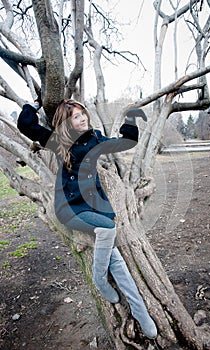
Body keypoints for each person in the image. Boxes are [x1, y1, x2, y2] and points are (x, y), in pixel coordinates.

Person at [17, 99, 157, 339]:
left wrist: (131, 119)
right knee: (109, 229)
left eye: (83, 114)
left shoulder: (95, 139)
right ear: (66, 123)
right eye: (75, 117)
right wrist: (35, 104)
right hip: (70, 208)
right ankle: (99, 280)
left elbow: (126, 142)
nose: (82, 118)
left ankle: (143, 316)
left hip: (95, 208)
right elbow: (26, 125)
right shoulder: (60, 142)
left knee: (118, 262)